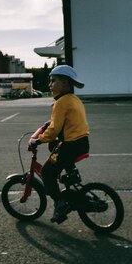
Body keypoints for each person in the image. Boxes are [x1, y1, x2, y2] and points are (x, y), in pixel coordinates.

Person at [28, 65, 90, 224]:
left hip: (71, 145)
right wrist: (49, 124)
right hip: (82, 142)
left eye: (53, 81)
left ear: (64, 83)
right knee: (54, 146)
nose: (50, 84)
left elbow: (54, 130)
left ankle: (60, 204)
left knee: (47, 172)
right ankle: (71, 174)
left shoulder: (61, 102)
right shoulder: (74, 99)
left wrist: (38, 140)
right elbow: (62, 121)